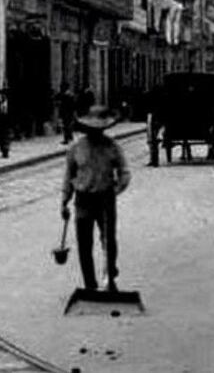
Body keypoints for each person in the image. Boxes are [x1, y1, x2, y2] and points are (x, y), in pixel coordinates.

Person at [60, 105, 131, 292]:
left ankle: (110, 278)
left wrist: (115, 190)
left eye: (99, 129)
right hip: (83, 200)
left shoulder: (112, 147)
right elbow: (69, 175)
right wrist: (65, 200)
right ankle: (90, 285)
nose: (95, 132)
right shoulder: (76, 149)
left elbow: (124, 172)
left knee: (109, 241)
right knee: (84, 243)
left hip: (105, 199)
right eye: (92, 129)